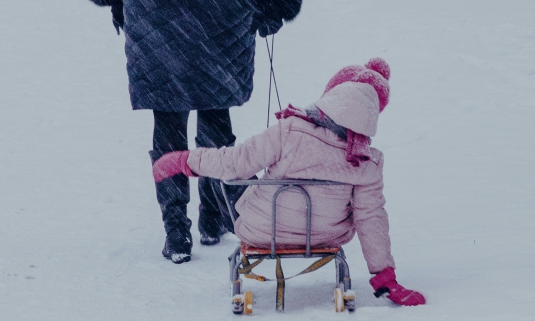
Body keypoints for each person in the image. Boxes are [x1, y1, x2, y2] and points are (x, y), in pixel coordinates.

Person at [152, 59, 426, 305]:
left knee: (233, 171)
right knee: (357, 207)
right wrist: (385, 276)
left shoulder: (290, 129)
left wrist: (184, 160)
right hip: (323, 237)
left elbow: (236, 162)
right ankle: (213, 224)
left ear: (332, 93)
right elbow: (371, 217)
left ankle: (210, 221)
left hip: (261, 230)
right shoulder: (368, 161)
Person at [88, 0, 303, 263]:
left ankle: (177, 232)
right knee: (215, 116)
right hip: (220, 20)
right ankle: (214, 217)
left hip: (156, 21)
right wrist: (274, 9)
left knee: (169, 125)